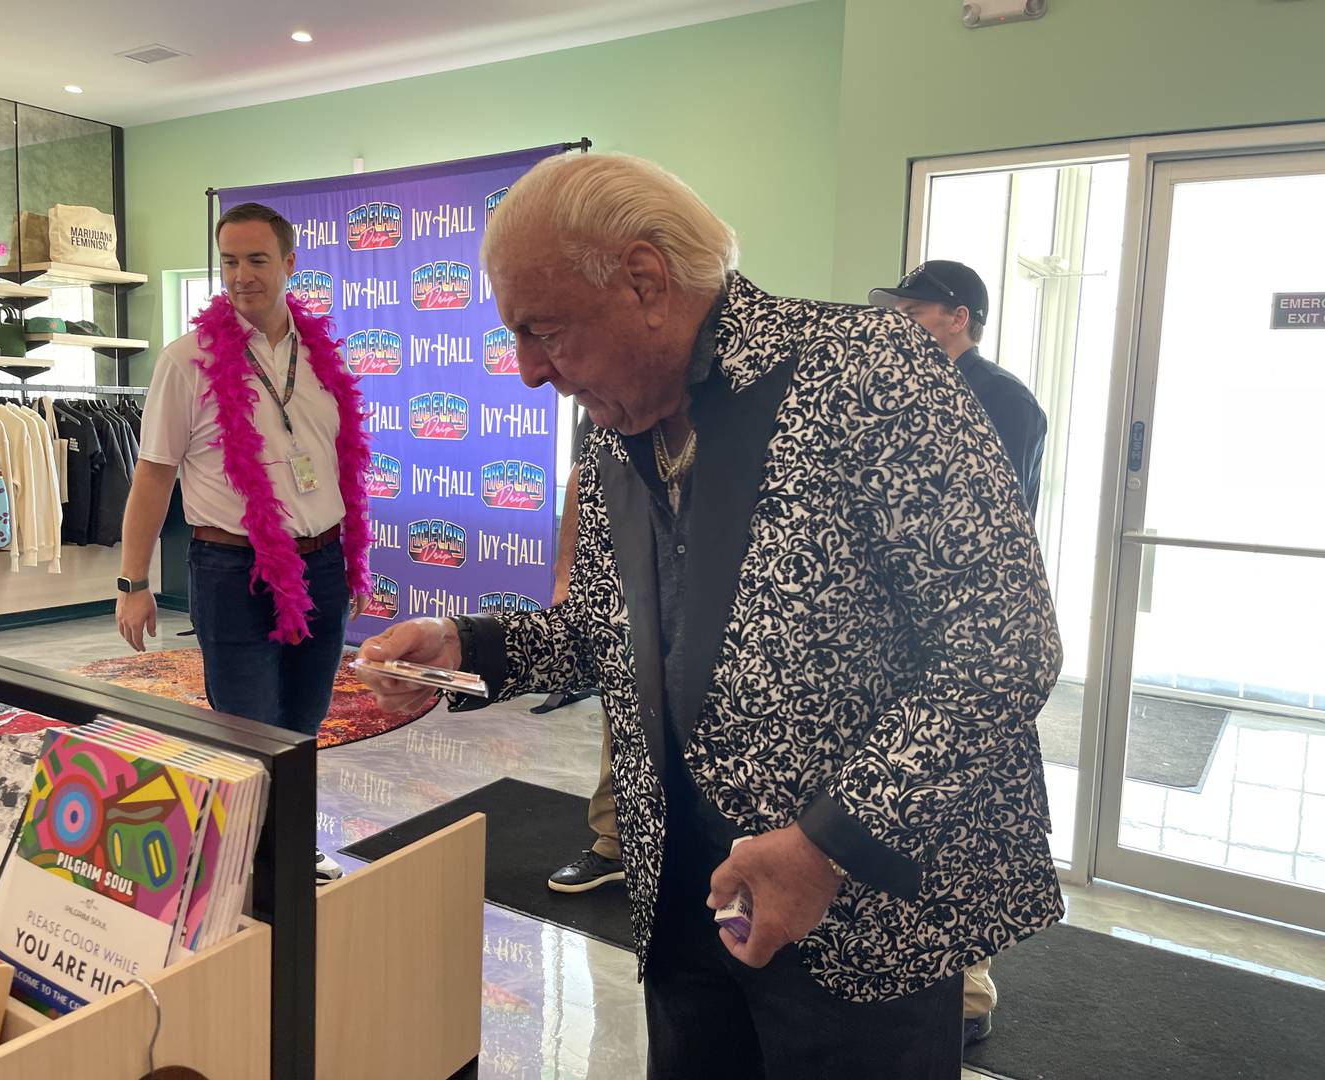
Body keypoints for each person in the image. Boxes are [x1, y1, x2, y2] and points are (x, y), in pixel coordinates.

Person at [358, 153, 1063, 1079]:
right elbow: (609, 630)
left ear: (646, 281)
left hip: (864, 924)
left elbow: (1004, 648)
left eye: (545, 331)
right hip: (685, 903)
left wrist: (824, 847)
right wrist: (467, 643)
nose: (529, 371)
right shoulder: (616, 421)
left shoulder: (868, 372)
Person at [116, 201, 373, 883]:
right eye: (229, 261)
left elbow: (338, 459)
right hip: (232, 568)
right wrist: (132, 582)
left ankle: (286, 847)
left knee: (302, 722)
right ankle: (247, 870)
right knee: (246, 728)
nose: (241, 276)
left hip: (319, 564)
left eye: (257, 260)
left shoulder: (318, 357)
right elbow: (152, 476)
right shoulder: (187, 362)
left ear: (289, 263)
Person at [869, 259, 1051, 1042]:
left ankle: (969, 990)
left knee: (965, 811)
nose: (900, 319)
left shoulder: (1005, 402)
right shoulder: (893, 393)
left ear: (958, 316)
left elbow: (979, 533)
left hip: (972, 640)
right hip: (899, 638)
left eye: (913, 308)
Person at [870, 260, 1047, 514]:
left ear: (958, 318)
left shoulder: (1006, 399)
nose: (896, 325)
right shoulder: (901, 392)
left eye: (911, 313)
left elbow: (1000, 517)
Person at [543, 415, 626, 894]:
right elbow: (581, 473)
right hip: (626, 588)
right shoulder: (605, 395)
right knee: (623, 710)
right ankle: (612, 845)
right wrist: (565, 573)